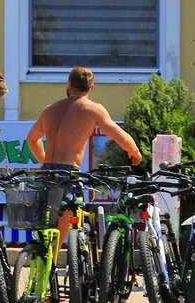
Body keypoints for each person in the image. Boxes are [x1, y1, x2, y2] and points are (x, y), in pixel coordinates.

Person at [26, 67, 141, 245]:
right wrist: (135, 153)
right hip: (69, 173)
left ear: (69, 85)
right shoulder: (93, 109)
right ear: (92, 88)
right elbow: (122, 137)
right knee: (62, 230)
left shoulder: (49, 110)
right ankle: (54, 263)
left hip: (47, 172)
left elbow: (32, 139)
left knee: (46, 227)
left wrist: (45, 162)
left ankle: (42, 257)